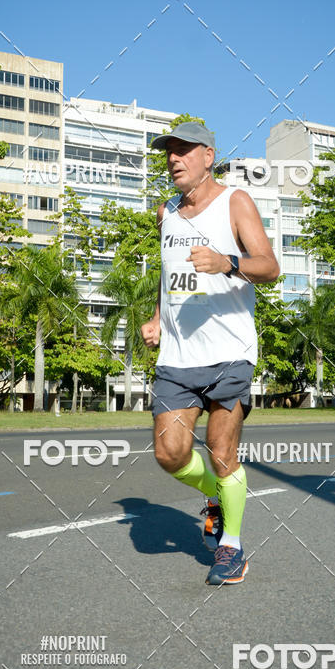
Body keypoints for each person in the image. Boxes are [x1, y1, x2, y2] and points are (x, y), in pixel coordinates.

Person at [140, 122, 280, 585]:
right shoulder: (167, 213)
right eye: (168, 153)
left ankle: (231, 548)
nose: (173, 159)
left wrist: (228, 262)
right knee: (170, 453)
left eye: (182, 151)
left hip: (229, 353)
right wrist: (159, 317)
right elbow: (168, 275)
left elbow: (270, 267)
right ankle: (218, 497)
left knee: (223, 454)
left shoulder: (235, 202)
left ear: (208, 155)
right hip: (177, 359)